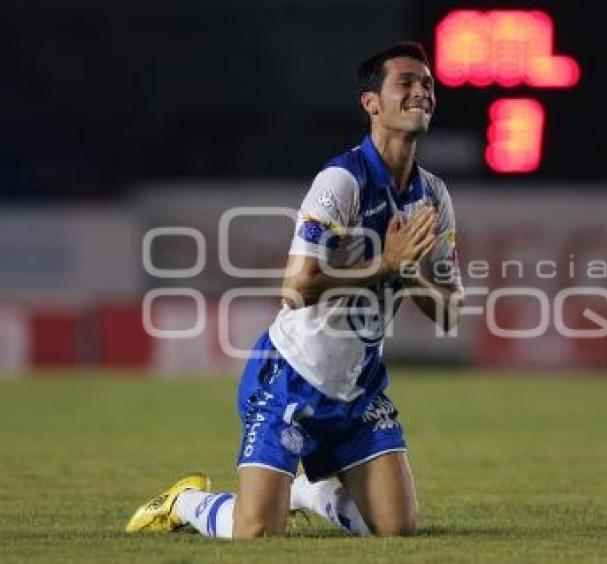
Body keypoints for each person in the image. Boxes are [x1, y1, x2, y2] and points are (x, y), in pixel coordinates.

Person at [125, 42, 463, 539]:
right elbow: (296, 287)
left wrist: (410, 273)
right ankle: (189, 502)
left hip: (359, 386)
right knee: (257, 531)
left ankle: (307, 490)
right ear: (371, 103)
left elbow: (451, 313)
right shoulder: (342, 181)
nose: (421, 93)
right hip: (289, 377)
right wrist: (385, 264)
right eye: (406, 83)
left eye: (427, 84)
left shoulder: (433, 195)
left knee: (397, 531)